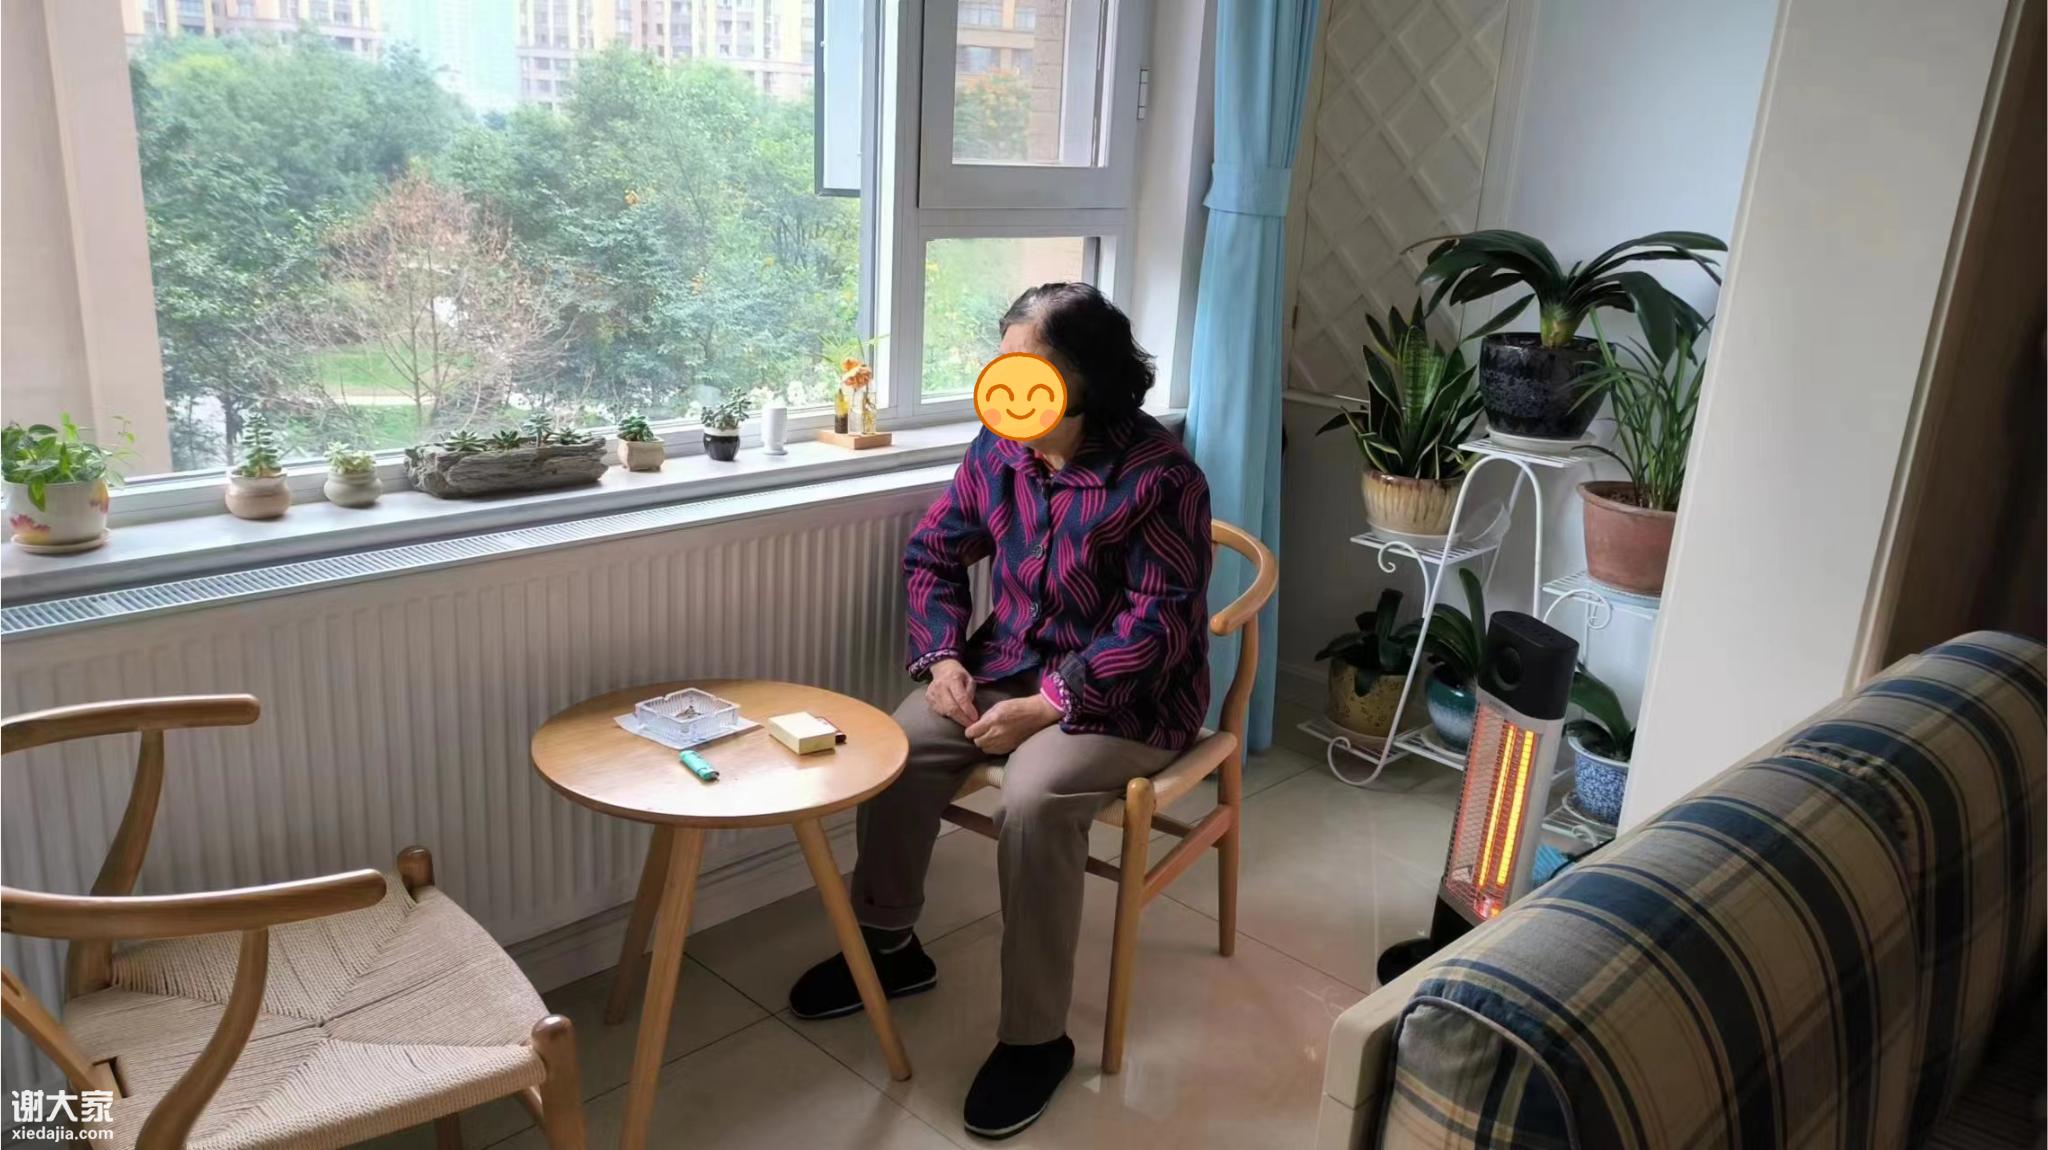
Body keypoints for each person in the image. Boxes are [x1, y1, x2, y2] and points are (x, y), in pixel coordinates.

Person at [787, 283, 1213, 1138]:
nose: (1008, 382)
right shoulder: (999, 448)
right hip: (1004, 665)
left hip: (1128, 696)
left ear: (1086, 376)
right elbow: (934, 554)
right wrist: (943, 656)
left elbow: (1160, 623)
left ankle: (1035, 1039)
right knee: (901, 742)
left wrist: (1055, 702)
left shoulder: (1162, 477)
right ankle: (889, 946)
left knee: (1034, 796)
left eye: (1031, 364)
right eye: (1003, 361)